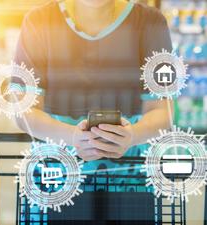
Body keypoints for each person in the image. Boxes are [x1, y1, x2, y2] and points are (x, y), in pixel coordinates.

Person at [14, 0, 173, 162]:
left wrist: (133, 135)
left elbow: (162, 110)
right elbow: (24, 111)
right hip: (56, 170)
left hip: (130, 173)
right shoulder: (39, 22)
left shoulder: (151, 23)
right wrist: (71, 136)